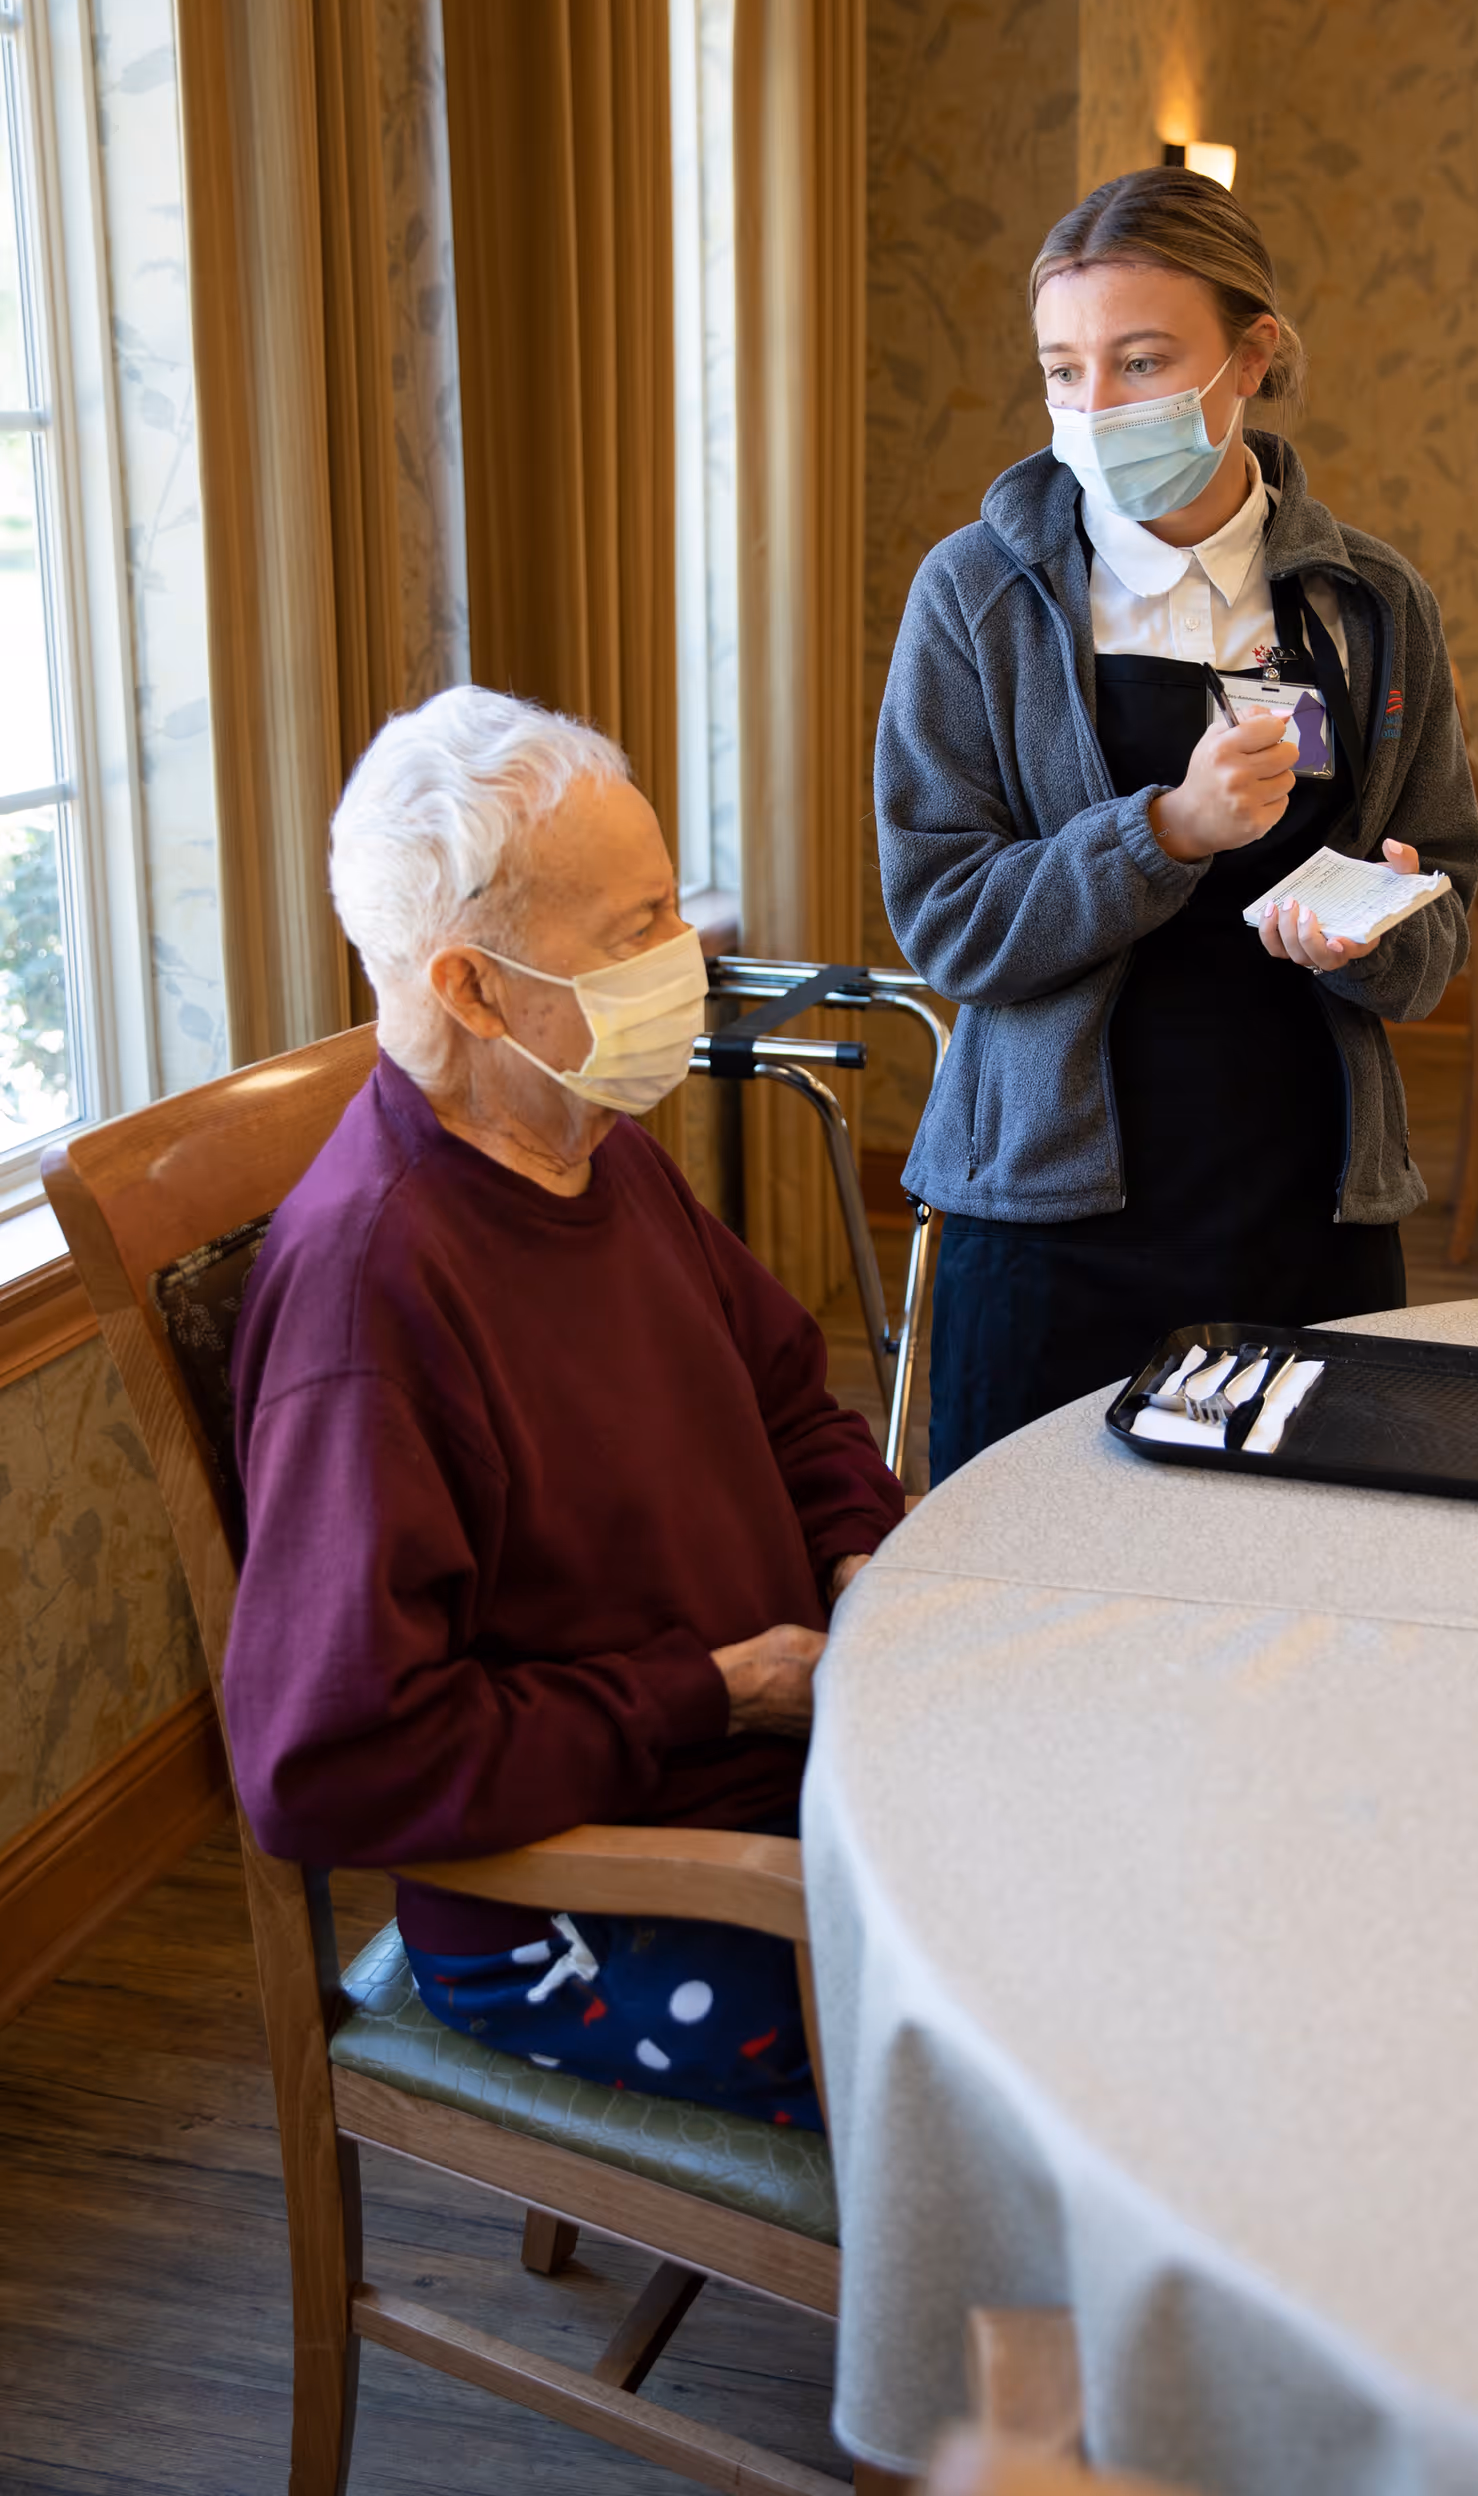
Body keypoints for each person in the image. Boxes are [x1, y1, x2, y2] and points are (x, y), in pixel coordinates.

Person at [223, 688, 904, 2129]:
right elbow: (332, 1765)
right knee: (1039, 2068)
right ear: (474, 991)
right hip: (575, 1901)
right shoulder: (372, 1289)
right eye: (639, 928)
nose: (688, 956)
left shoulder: (590, 1140)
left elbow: (793, 1399)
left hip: (782, 1769)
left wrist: (856, 1563)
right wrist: (713, 1690)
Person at [875, 167, 1478, 1481]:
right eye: (1063, 370)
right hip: (1051, 1213)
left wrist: (1374, 934)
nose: (1095, 410)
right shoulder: (979, 600)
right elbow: (947, 923)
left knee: (1307, 1586)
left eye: (1141, 362)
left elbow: (1446, 920)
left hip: (1305, 1199)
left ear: (1251, 357)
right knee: (1026, 1593)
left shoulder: (1372, 607)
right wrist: (1169, 829)